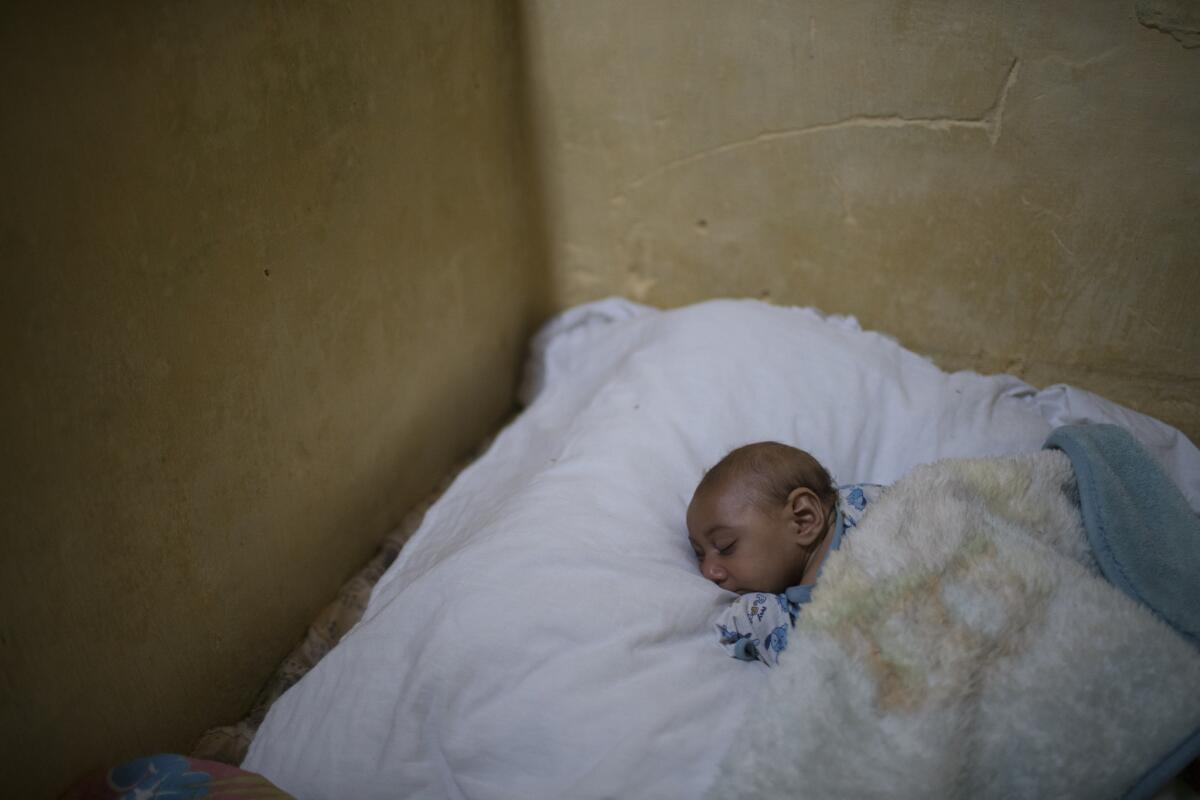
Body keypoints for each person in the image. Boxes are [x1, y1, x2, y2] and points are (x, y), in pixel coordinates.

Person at [686, 441, 883, 667]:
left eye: (725, 546)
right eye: (699, 555)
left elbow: (811, 656)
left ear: (803, 520)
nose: (708, 571)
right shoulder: (859, 496)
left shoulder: (816, 600)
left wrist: (744, 620)